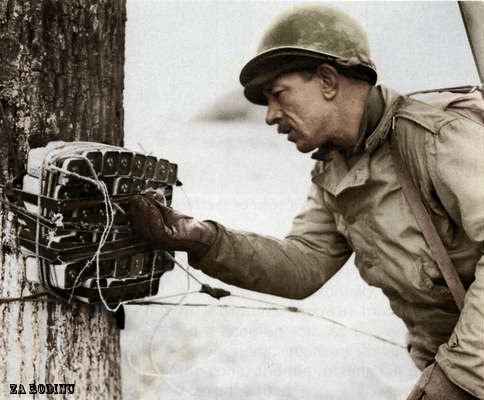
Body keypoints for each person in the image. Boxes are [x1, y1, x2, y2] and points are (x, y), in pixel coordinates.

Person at [129, 5, 483, 399]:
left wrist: (456, 378)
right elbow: (304, 263)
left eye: (278, 95)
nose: (270, 116)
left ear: (328, 81)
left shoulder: (435, 139)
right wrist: (202, 238)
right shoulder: (335, 169)